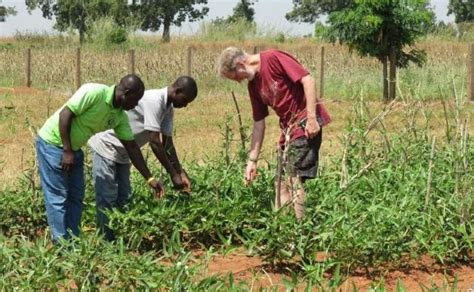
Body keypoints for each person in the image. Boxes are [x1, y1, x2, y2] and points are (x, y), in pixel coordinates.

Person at [36, 74, 163, 242]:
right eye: (135, 99)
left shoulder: (119, 116)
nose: (136, 105)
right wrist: (67, 151)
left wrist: (150, 178)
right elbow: (65, 115)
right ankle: (61, 244)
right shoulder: (94, 92)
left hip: (73, 150)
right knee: (58, 196)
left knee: (76, 196)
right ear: (126, 93)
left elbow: (132, 148)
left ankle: (72, 240)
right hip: (53, 144)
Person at [217, 47, 331, 219]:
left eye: (236, 77)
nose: (238, 82)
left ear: (241, 65)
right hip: (288, 132)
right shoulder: (253, 86)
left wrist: (312, 118)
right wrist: (252, 161)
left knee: (294, 179)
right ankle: (282, 230)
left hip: (304, 125)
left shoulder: (273, 58)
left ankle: (299, 235)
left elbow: (308, 80)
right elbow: (258, 124)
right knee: (280, 183)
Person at [88, 76, 197, 240]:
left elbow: (167, 144)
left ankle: (120, 240)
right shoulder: (155, 100)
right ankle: (106, 241)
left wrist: (180, 172)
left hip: (127, 151)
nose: (185, 104)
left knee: (124, 197)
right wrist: (172, 174)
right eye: (185, 99)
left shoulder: (167, 108)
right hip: (107, 145)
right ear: (177, 91)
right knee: (107, 197)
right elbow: (155, 142)